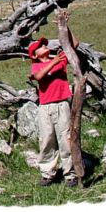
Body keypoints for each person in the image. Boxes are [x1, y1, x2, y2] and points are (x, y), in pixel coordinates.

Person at [28, 11, 80, 187]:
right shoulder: (36, 65)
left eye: (44, 44)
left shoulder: (60, 59)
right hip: (45, 107)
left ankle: (70, 174)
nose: (45, 46)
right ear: (35, 54)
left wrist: (65, 25)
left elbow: (74, 45)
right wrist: (54, 61)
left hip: (62, 104)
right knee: (47, 140)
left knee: (65, 139)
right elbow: (40, 76)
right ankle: (48, 173)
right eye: (40, 46)